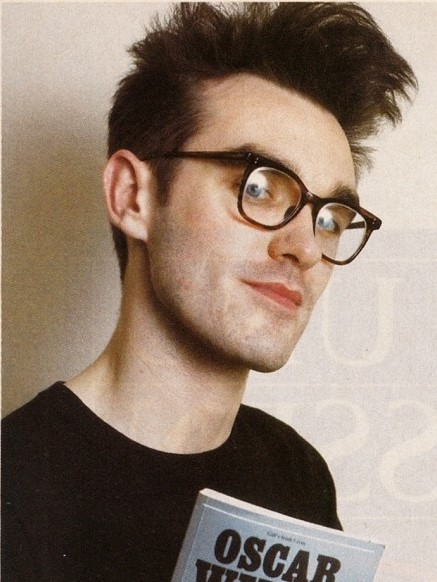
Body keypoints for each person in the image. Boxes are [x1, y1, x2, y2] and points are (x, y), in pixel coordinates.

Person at [2, 3, 416, 580]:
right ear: (133, 196)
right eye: (261, 188)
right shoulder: (13, 487)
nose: (305, 247)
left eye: (330, 219)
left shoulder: (296, 473)